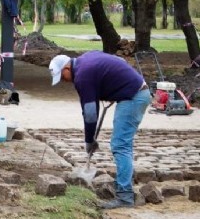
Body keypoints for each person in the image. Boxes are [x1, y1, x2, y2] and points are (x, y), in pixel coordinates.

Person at [49, 51, 151, 209]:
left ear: (67, 68)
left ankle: (125, 196)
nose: (64, 81)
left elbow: (90, 114)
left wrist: (89, 140)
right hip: (135, 92)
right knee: (124, 144)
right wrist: (113, 88)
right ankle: (126, 187)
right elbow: (117, 60)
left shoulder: (82, 76)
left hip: (133, 97)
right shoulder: (85, 59)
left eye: (62, 76)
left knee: (120, 145)